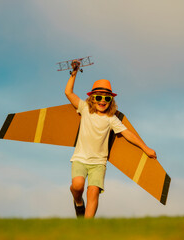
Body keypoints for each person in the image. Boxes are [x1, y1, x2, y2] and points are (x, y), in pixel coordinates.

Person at [65, 60, 156, 218]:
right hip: (80, 158)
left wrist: (145, 148)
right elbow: (69, 93)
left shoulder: (111, 118)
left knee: (93, 192)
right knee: (77, 186)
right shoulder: (85, 109)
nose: (102, 101)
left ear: (110, 102)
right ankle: (78, 202)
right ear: (92, 98)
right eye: (99, 97)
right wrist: (74, 72)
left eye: (107, 99)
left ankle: (86, 228)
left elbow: (128, 134)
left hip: (98, 163)